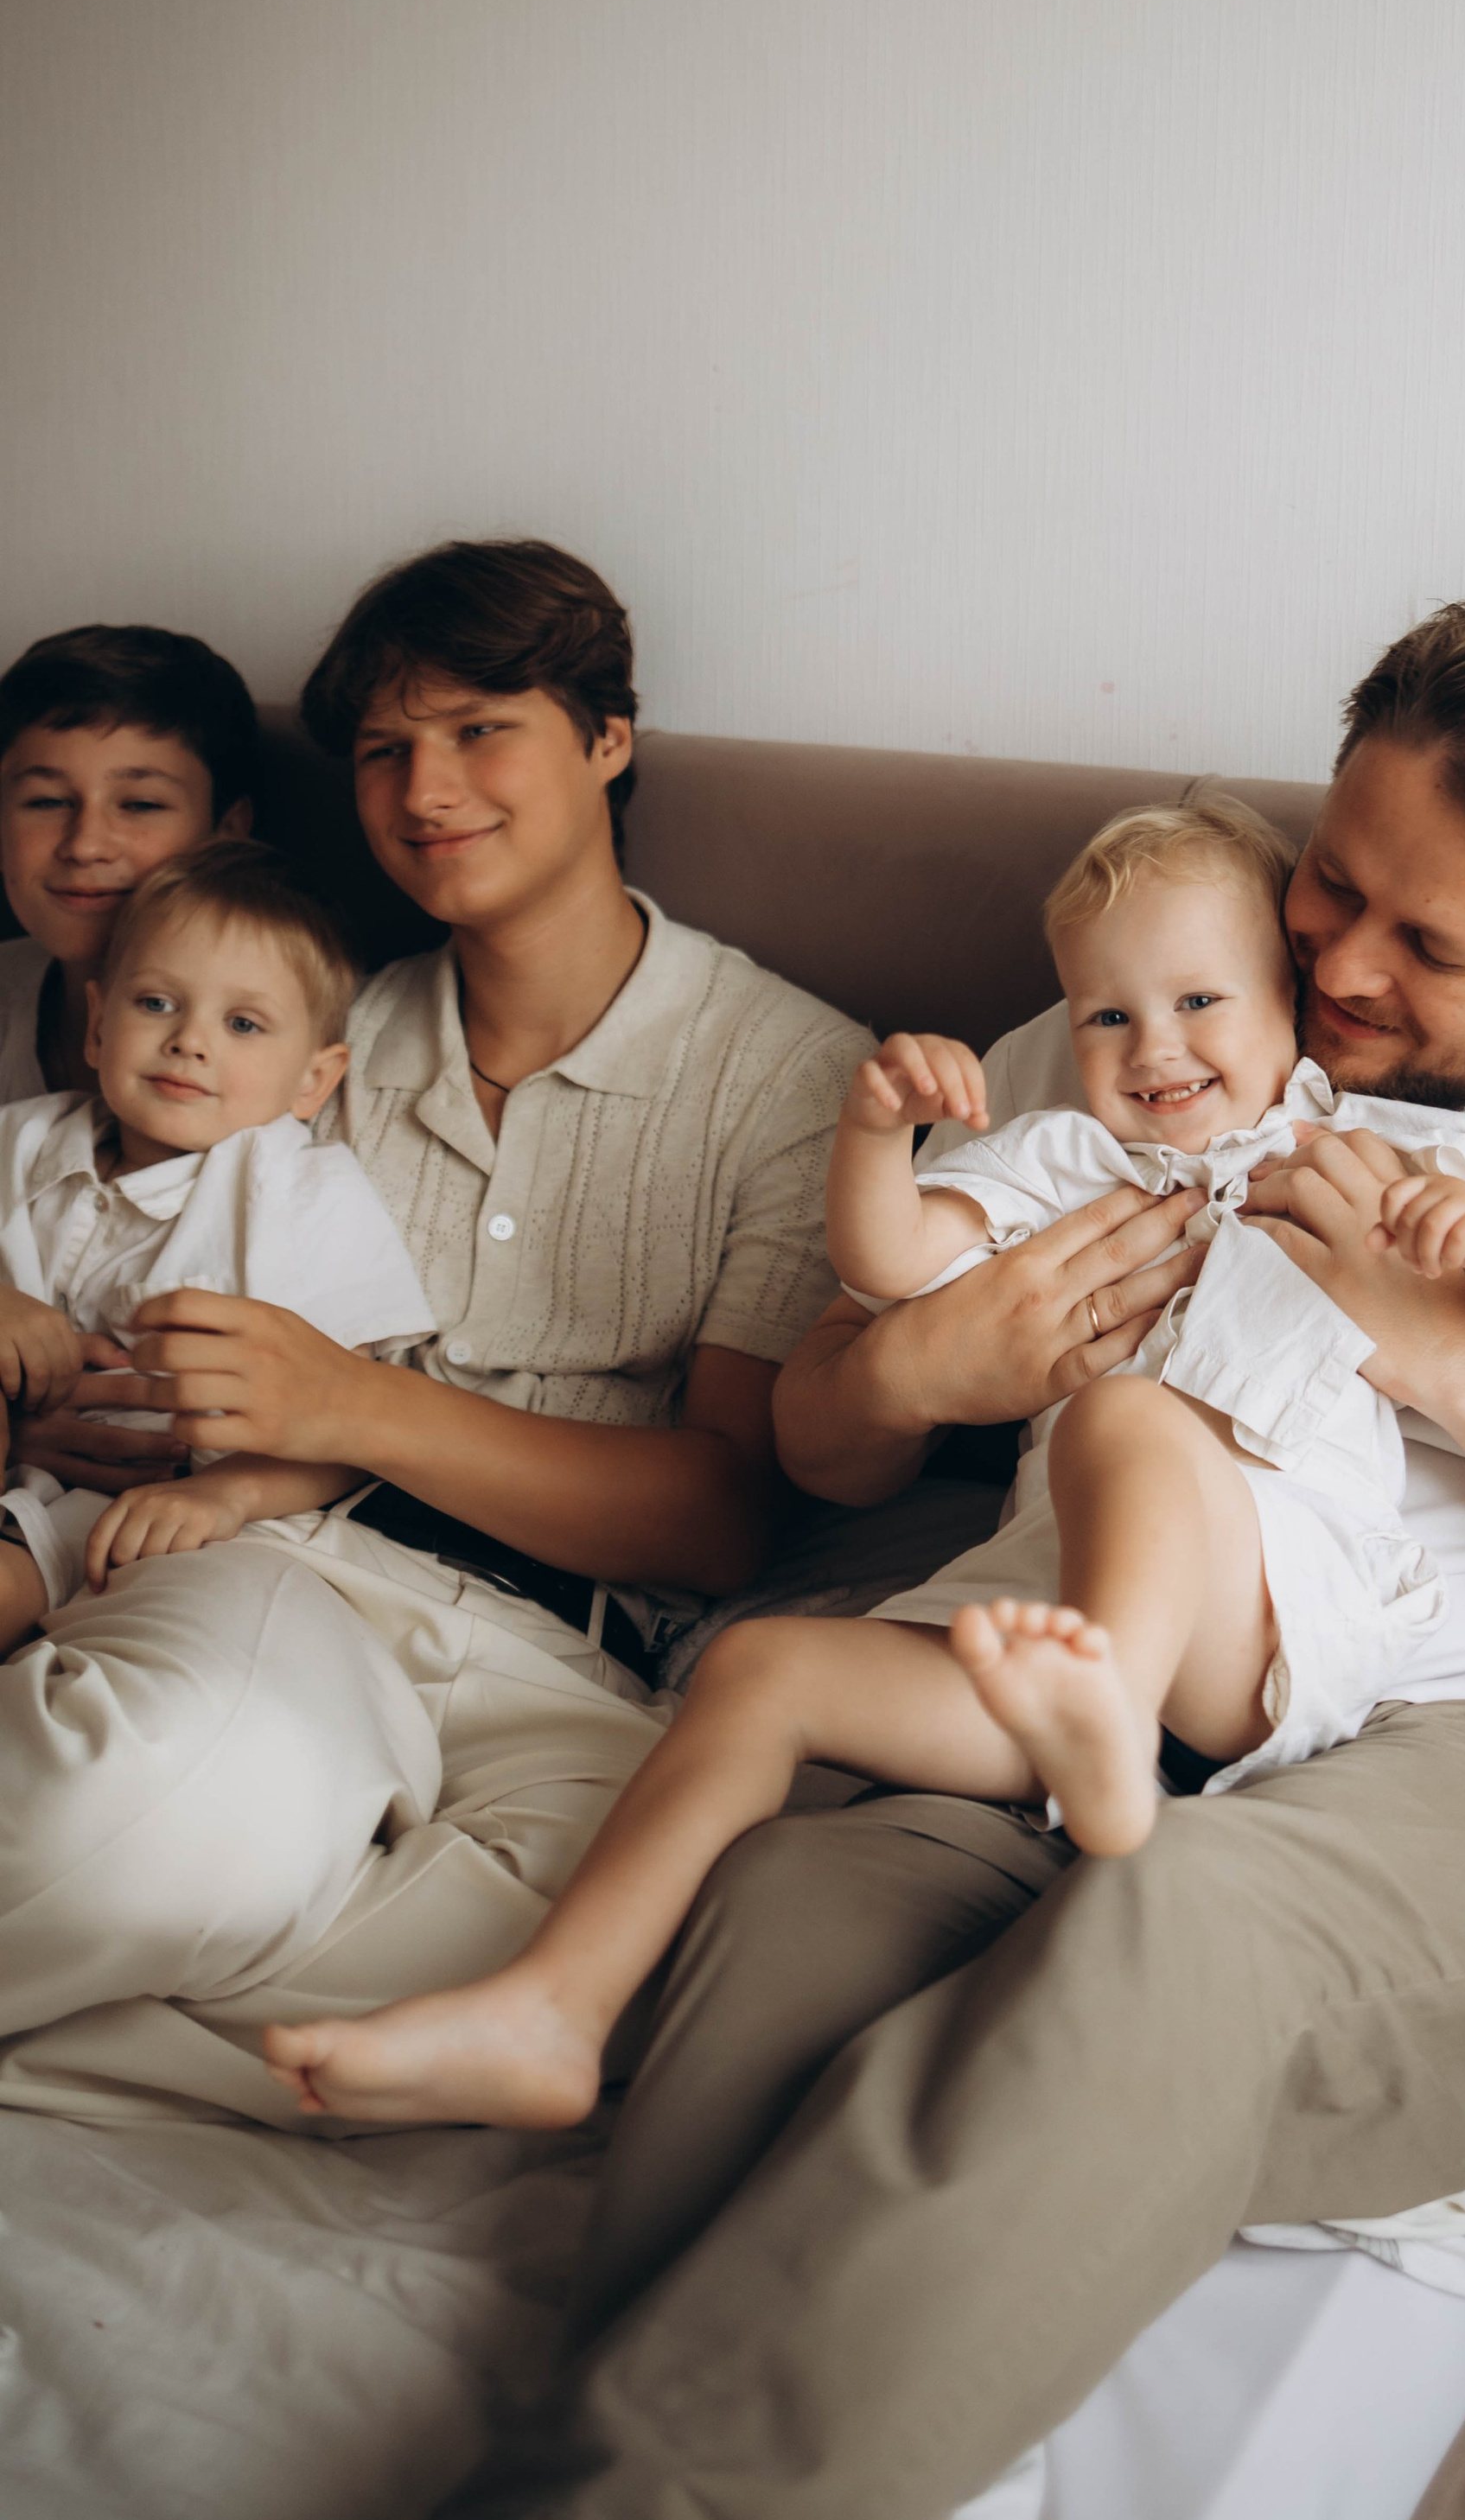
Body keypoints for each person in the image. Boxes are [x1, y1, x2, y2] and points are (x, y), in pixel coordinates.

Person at [404, 588, 1465, 2520]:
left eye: (1425, 941)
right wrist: (926, 1366)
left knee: (1170, 1938)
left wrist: (1446, 1360)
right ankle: (625, 2435)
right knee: (786, 1917)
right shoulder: (1168, 1006)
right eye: (1333, 880)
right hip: (1097, 1647)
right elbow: (820, 1438)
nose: (1340, 965)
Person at [258, 795, 1465, 2129]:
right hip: (1042, 1643)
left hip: (1266, 1628)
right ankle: (552, 2013)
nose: (1154, 1044)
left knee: (1124, 1420)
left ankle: (1105, 1717)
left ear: (1290, 997)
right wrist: (876, 1130)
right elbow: (892, 1258)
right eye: (1109, 1014)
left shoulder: (1386, 1151)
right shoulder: (1068, 1157)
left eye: (1201, 1001)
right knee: (763, 1672)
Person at [0, 538, 870, 2130]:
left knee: (615, 1990)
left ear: (609, 740)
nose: (424, 791)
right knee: (153, 1807)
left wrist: (353, 1401)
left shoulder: (793, 1074)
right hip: (300, 1571)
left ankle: (95, 2031)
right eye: (386, 752)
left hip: (585, 1674)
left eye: (481, 731)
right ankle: (158, 1928)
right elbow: (89, 1232)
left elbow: (726, 1515)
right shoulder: (301, 1029)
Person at [0, 841, 431, 1645]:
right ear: (98, 1025)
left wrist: (224, 1496)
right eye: (157, 1004)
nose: (190, 1041)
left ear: (314, 1080)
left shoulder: (297, 1194)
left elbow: (352, 1431)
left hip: (124, 1507)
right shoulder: (22, 1141)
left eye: (242, 1023)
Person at [0, 624, 258, 1102]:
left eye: (141, 805)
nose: (85, 846)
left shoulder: (290, 1035)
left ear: (228, 830)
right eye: (47, 802)